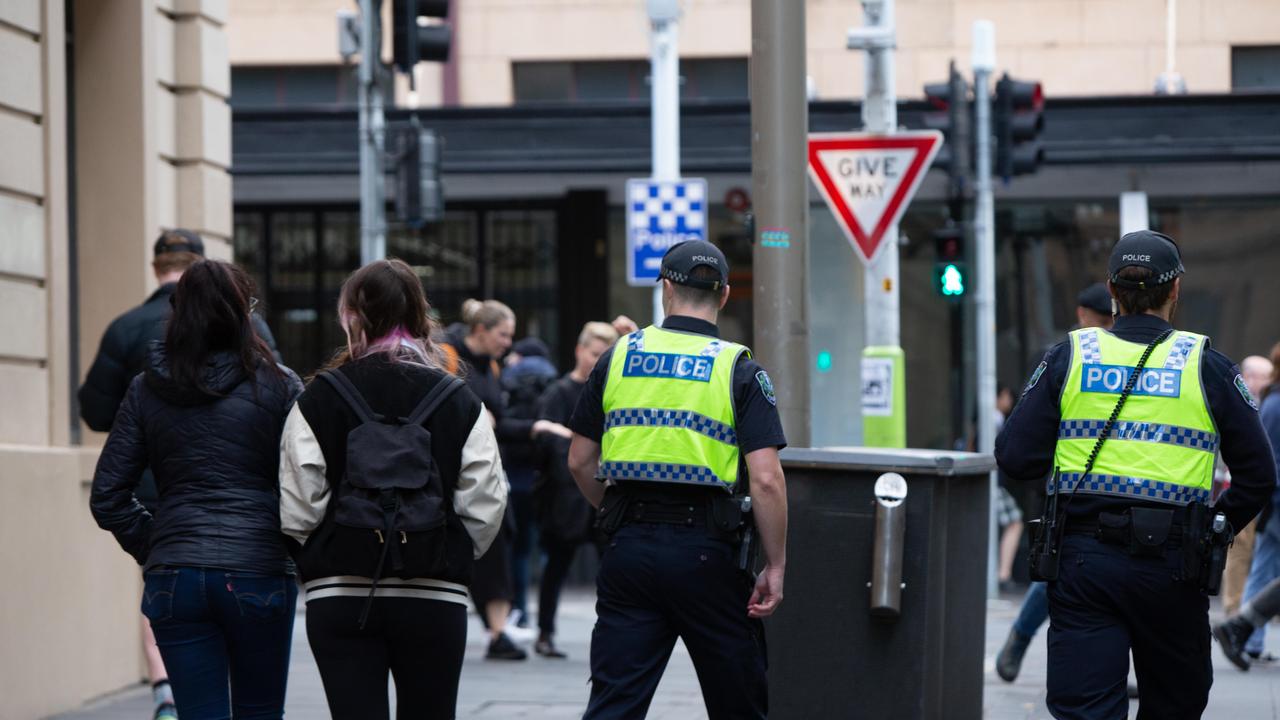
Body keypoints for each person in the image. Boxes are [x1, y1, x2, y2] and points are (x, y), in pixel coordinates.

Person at [996, 230, 1275, 719]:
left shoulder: (1070, 357)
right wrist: (1216, 529)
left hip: (1082, 564)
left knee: (1085, 710)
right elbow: (1258, 474)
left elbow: (1015, 457)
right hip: (1175, 566)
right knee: (1174, 705)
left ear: (1111, 289)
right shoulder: (1206, 366)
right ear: (1174, 292)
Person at [566, 240, 788, 719]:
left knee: (615, 704)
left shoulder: (618, 358)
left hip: (630, 550)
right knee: (739, 702)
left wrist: (614, 512)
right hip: (709, 554)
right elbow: (766, 480)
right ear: (724, 295)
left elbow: (580, 461)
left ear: (665, 288)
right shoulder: (739, 369)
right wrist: (776, 564)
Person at [279, 259, 508, 719]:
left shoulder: (319, 397)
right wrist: (447, 551)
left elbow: (298, 505)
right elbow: (485, 502)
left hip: (340, 593)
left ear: (353, 316)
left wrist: (321, 553)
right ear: (421, 316)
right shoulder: (459, 398)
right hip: (433, 594)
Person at [90, 260, 302, 720]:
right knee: (260, 712)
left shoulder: (146, 389)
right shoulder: (281, 386)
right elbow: (308, 489)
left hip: (175, 576)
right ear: (244, 312)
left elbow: (108, 494)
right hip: (259, 569)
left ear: (178, 313)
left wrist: (159, 543)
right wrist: (283, 543)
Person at [996, 283, 1116, 683]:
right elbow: (1026, 433)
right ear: (1083, 315)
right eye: (1102, 320)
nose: (1108, 327)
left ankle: (1112, 667)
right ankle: (1019, 637)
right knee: (1056, 573)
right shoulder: (1062, 354)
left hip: (1107, 485)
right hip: (1063, 487)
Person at [439, 300, 570, 660]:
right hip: (448, 473)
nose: (508, 343)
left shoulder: (492, 367)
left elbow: (499, 422)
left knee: (499, 539)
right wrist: (474, 416)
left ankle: (497, 632)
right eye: (503, 334)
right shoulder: (447, 357)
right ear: (480, 331)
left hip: (485, 470)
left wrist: (535, 428)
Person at [531, 321, 619, 658]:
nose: (597, 361)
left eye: (603, 355)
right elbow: (545, 440)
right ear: (579, 350)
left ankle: (612, 632)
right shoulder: (559, 392)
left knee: (610, 567)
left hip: (600, 492)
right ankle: (545, 632)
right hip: (565, 496)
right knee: (557, 565)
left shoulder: (610, 390)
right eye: (594, 353)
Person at [502, 336, 560, 628]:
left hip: (513, 477)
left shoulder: (507, 381)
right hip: (544, 479)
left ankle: (520, 611)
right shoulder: (553, 384)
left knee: (519, 550)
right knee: (550, 548)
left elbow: (499, 425)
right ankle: (546, 621)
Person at [1233, 346, 1280, 663]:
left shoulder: (1272, 401)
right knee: (1258, 565)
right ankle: (1243, 629)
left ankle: (1245, 633)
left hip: (1272, 498)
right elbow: (1271, 457)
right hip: (1276, 499)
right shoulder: (1275, 403)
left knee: (1263, 567)